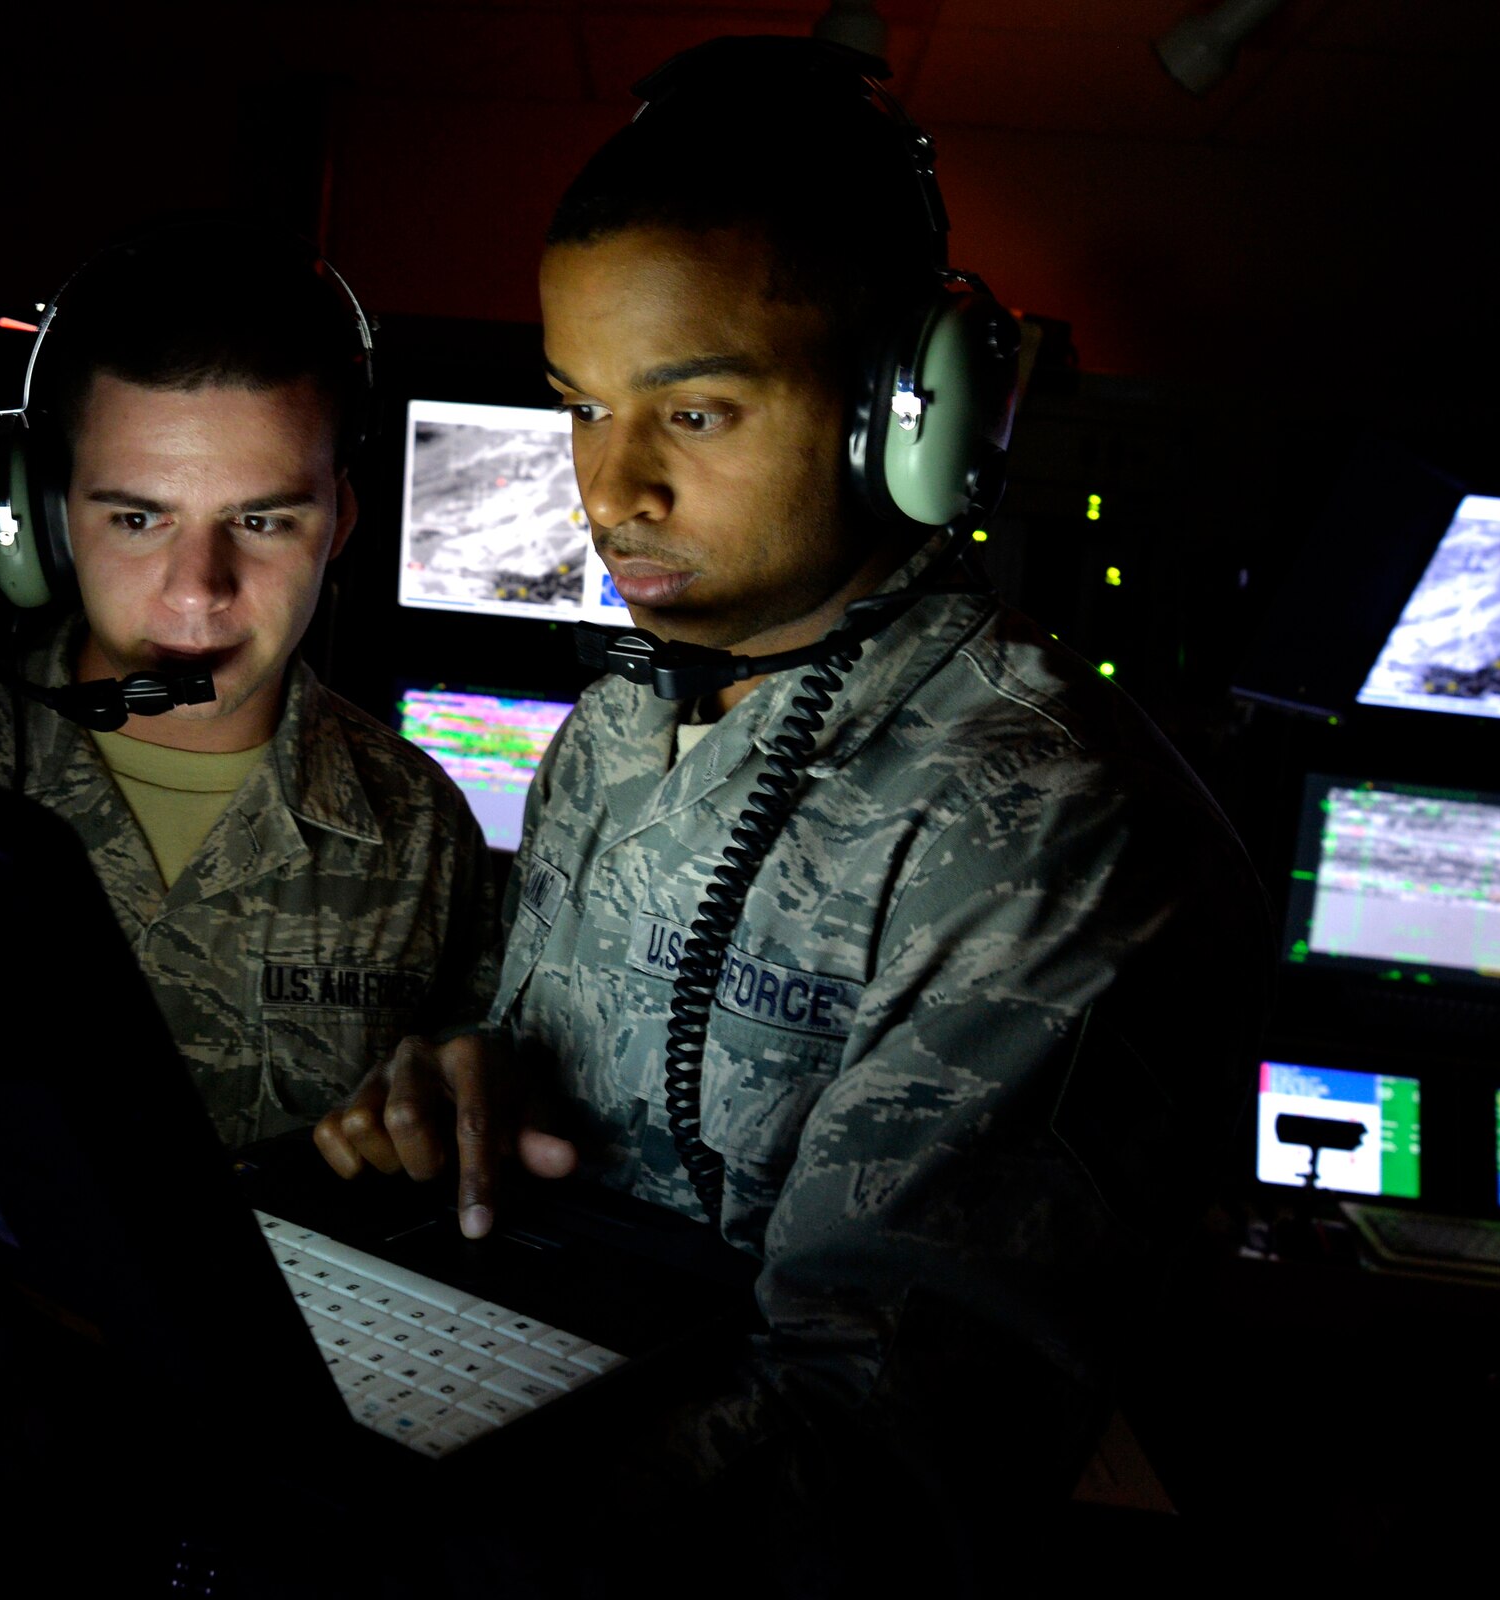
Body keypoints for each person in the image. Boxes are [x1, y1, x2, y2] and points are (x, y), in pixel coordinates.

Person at [313, 38, 1270, 1584]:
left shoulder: (1047, 824)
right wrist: (470, 1090)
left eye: (694, 415)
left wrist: (363, 1535)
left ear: (915, 413)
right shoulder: (624, 721)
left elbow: (883, 1460)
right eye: (579, 408)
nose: (609, 489)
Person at [0, 224, 499, 1148]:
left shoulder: (422, 833)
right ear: (43, 519)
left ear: (340, 522)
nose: (199, 589)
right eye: (139, 517)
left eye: (264, 520)